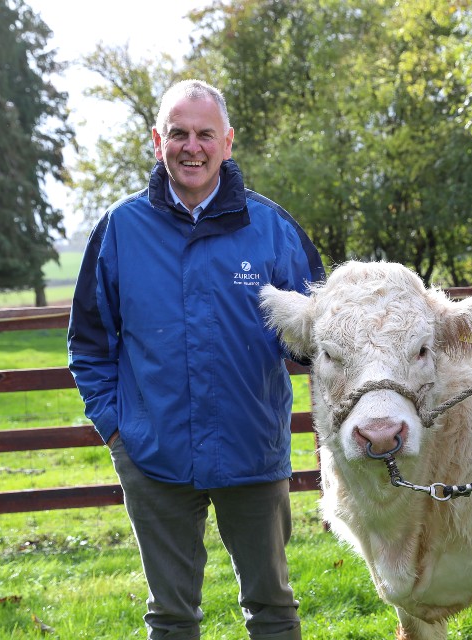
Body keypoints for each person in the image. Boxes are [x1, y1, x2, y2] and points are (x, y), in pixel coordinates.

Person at [67, 79, 323, 640]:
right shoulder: (120, 230)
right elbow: (89, 344)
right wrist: (117, 432)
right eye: (178, 134)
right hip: (153, 455)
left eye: (205, 134)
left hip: (251, 452)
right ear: (158, 140)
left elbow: (315, 337)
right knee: (171, 617)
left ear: (227, 142)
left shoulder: (272, 230)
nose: (192, 147)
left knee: (273, 610)